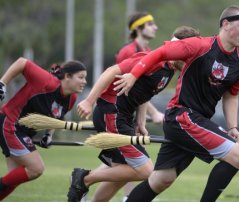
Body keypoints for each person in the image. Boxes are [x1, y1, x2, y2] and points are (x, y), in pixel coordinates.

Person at [114, 5, 239, 202]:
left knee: (162, 179)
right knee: (237, 156)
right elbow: (160, 53)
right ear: (225, 24)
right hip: (181, 116)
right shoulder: (199, 45)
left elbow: (231, 95)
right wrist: (133, 76)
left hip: (197, 122)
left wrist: (233, 126)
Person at [67, 26, 200, 202]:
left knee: (121, 174)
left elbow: (144, 95)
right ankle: (84, 178)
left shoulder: (169, 70)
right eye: (188, 55)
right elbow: (111, 71)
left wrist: (140, 122)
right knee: (145, 170)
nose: (190, 61)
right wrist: (89, 101)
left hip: (123, 117)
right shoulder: (151, 60)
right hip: (111, 113)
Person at [0, 57, 87, 201]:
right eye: (81, 77)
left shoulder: (71, 99)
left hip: (23, 132)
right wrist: (2, 83)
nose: (84, 81)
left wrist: (48, 135)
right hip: (9, 123)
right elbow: (22, 62)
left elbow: (54, 118)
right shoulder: (47, 81)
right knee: (36, 168)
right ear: (67, 76)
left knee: (14, 178)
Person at [99, 11, 160, 202]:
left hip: (126, 114)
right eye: (150, 24)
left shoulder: (149, 53)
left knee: (123, 165)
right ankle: (126, 196)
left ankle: (89, 189)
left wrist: (141, 119)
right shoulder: (129, 51)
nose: (155, 27)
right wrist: (155, 112)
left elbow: (142, 92)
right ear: (138, 28)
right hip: (112, 112)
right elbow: (122, 85)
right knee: (132, 163)